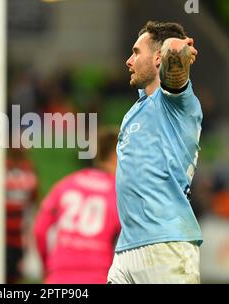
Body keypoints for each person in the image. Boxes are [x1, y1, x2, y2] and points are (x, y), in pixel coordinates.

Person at [107, 21, 202, 284]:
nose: (128, 61)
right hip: (126, 249)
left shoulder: (177, 103)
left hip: (166, 245)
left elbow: (174, 54)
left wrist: (177, 50)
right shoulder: (136, 109)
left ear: (158, 58)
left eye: (136, 52)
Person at [33, 128, 121, 284]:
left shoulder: (65, 184)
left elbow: (40, 230)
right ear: (115, 156)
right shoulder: (118, 192)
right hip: (97, 275)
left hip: (58, 275)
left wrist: (48, 265)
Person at [5, 146, 38, 283]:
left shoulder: (29, 169)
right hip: (2, 233)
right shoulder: (1, 167)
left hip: (20, 233)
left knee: (15, 274)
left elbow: (34, 199)